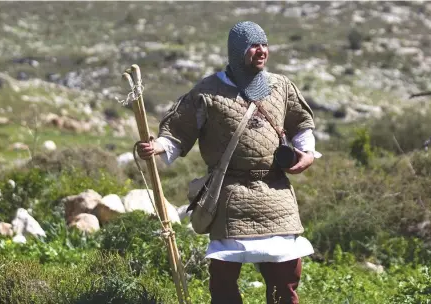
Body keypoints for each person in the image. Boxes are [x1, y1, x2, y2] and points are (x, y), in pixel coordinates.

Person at [137, 20, 321, 304]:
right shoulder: (208, 91)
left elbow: (301, 125)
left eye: (264, 45)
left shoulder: (282, 86)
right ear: (237, 51)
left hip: (275, 191)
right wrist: (158, 146)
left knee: (286, 274)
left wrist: (306, 155)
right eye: (253, 46)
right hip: (230, 193)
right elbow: (179, 131)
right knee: (223, 278)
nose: (261, 51)